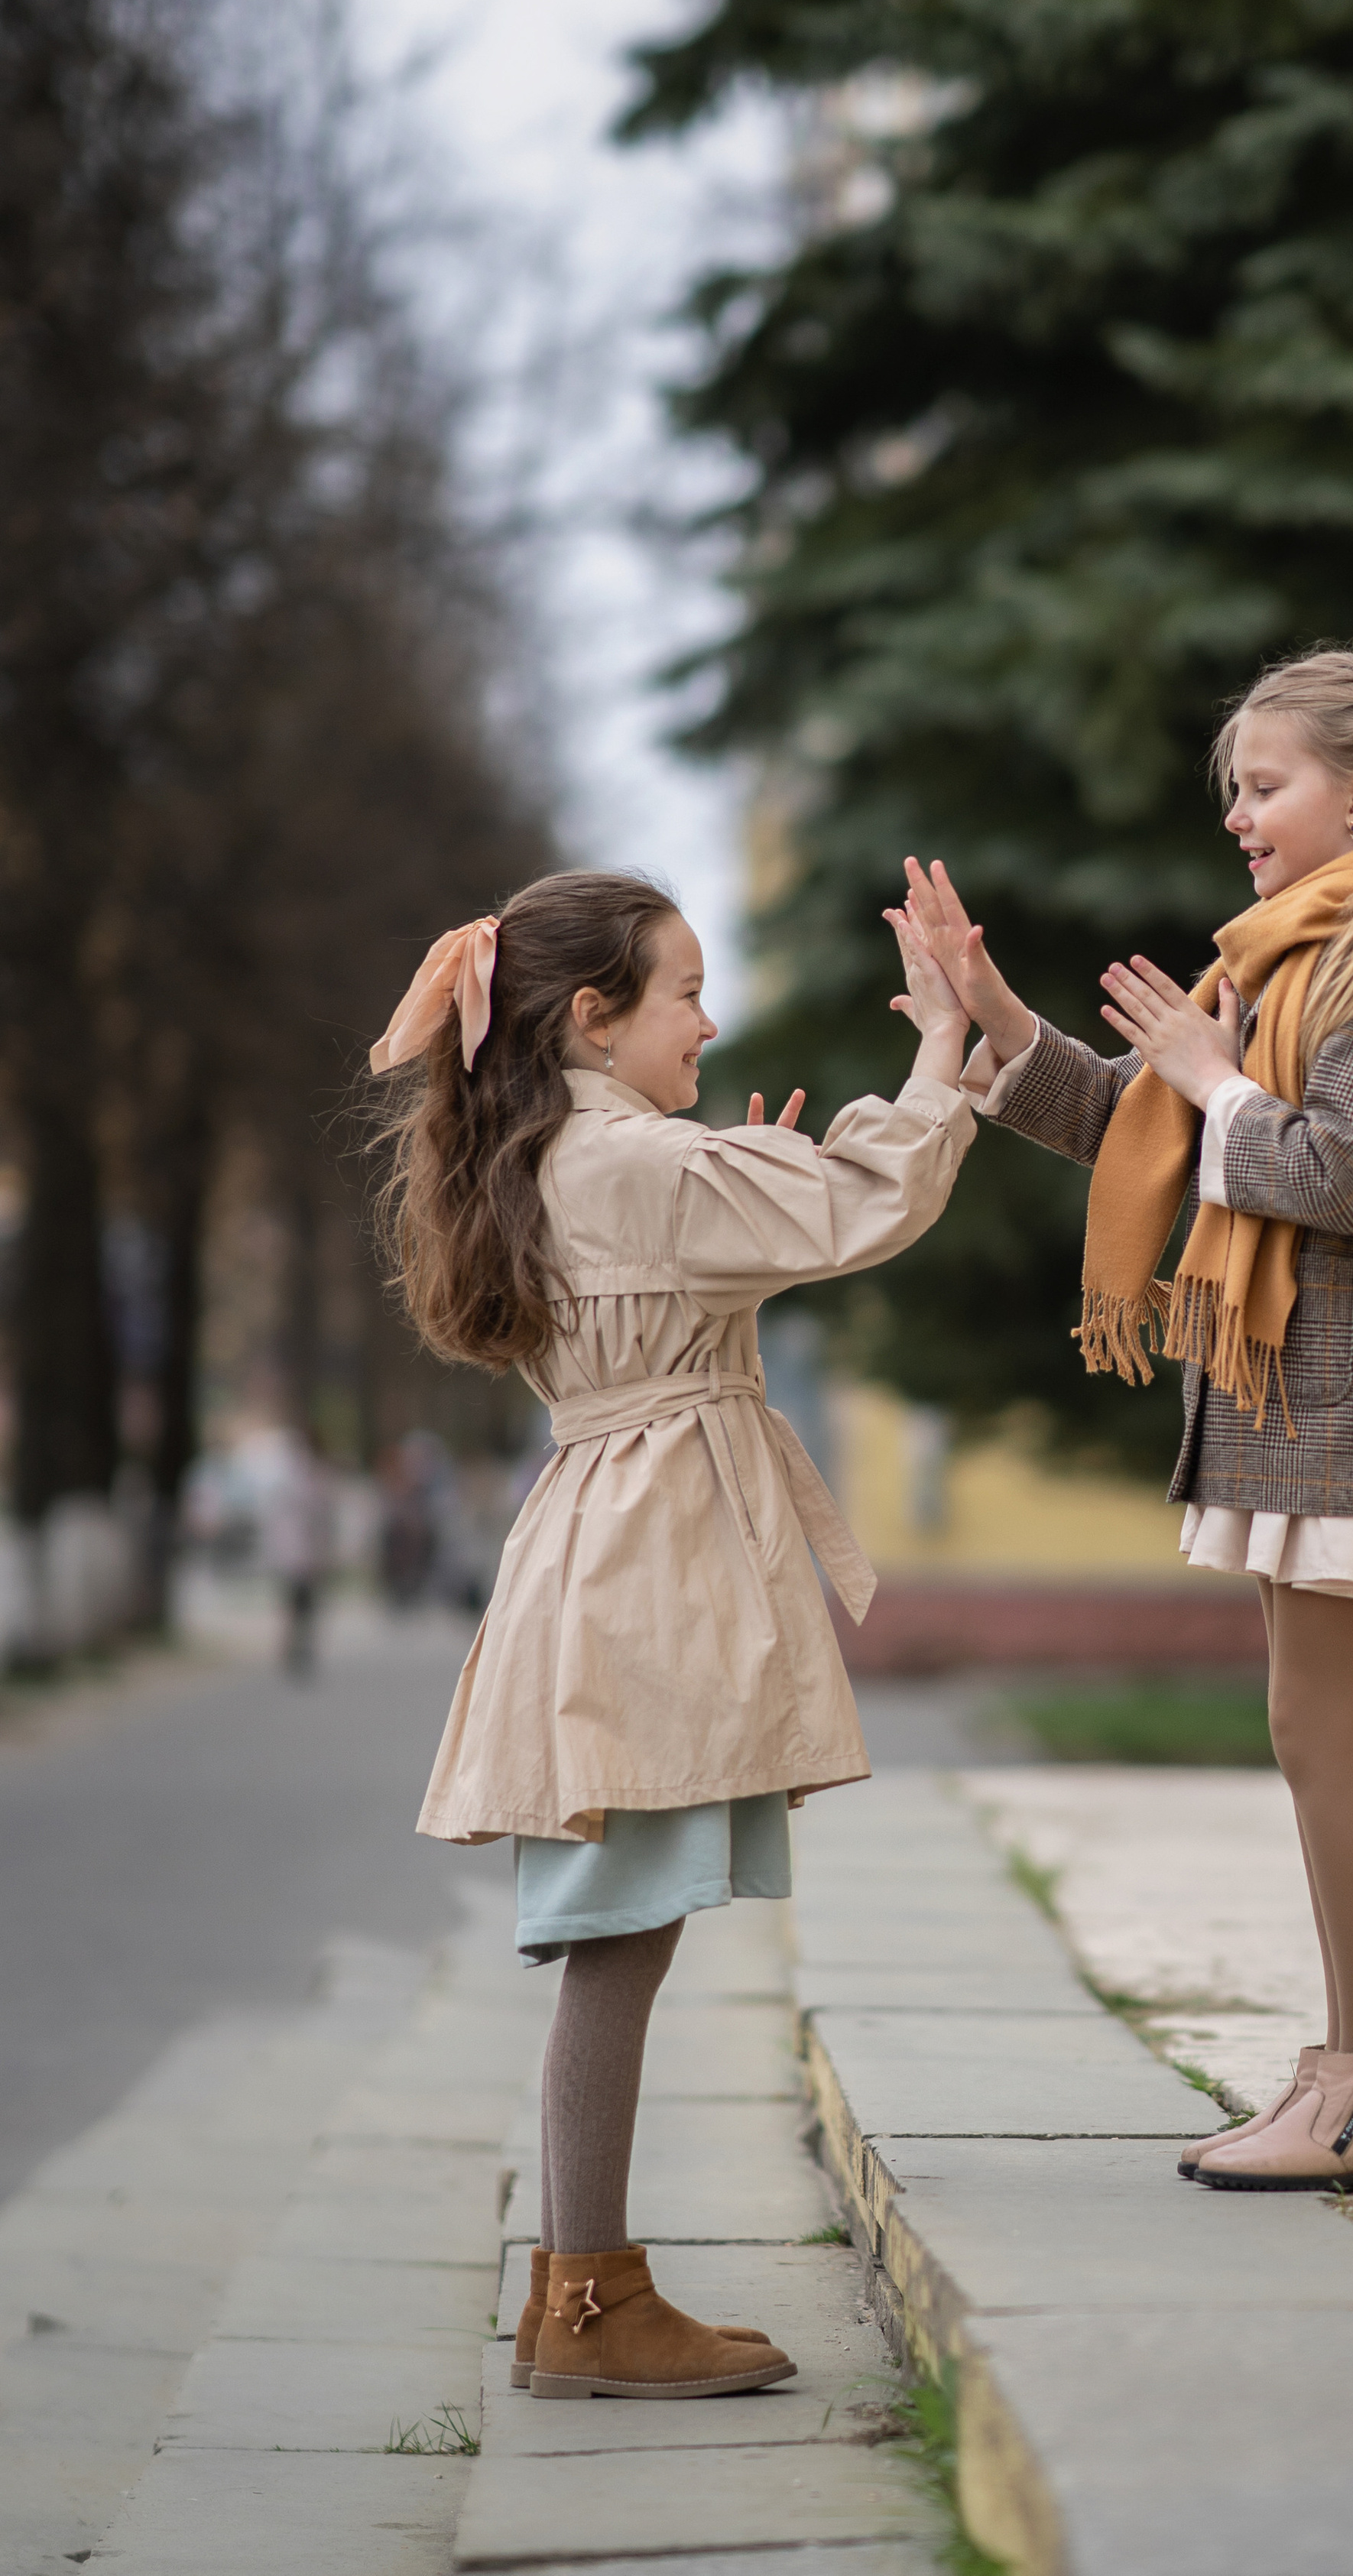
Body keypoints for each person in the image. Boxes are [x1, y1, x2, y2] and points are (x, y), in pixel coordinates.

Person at [370, 868, 973, 2396]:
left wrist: (732, 1165)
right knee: (615, 1933)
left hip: (606, 1548)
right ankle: (584, 2310)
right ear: (593, 1015)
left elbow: (733, 1234)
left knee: (620, 1927)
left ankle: (584, 2296)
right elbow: (864, 1202)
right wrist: (941, 1051)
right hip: (639, 1568)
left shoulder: (579, 1149)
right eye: (683, 992)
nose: (708, 1018)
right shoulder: (627, 1157)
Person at [894, 647, 1353, 2193]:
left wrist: (1214, 1079)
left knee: (1318, 1734)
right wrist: (1002, 1021)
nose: (1237, 815)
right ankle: (1352, 2067)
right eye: (1232, 789)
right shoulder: (1269, 971)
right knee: (1309, 1734)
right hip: (1298, 1401)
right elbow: (1136, 1130)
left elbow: (1324, 1178)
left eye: (1264, 785)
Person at [261, 1427, 337, 1680]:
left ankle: (294, 1646)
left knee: (296, 1603)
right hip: (302, 1552)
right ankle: (295, 1646)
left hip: (296, 1552)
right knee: (301, 1603)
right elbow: (322, 1514)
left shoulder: (289, 1473)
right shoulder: (311, 1475)